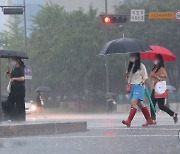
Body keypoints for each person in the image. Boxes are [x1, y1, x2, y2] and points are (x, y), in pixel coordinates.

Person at [122, 53, 153, 127]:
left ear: (137, 57)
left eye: (133, 56)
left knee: (133, 102)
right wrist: (126, 75)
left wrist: (143, 81)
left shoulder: (141, 66)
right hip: (132, 86)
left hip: (139, 86)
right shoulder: (130, 66)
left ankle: (129, 121)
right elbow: (129, 78)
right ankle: (149, 119)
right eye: (131, 56)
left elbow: (145, 76)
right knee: (140, 104)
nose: (131, 57)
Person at [150, 54, 178, 124]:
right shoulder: (154, 69)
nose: (154, 60)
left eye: (156, 59)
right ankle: (153, 119)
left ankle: (173, 114)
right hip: (154, 88)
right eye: (154, 58)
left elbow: (163, 79)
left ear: (159, 60)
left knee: (161, 106)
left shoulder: (162, 69)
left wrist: (155, 76)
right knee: (152, 104)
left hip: (160, 89)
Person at [6, 57, 26, 121]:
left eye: (13, 60)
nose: (12, 62)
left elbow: (22, 78)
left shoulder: (20, 69)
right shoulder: (14, 69)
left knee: (20, 104)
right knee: (9, 103)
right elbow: (10, 78)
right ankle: (12, 117)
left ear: (17, 61)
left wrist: (14, 79)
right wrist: (8, 71)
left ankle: (21, 118)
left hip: (19, 89)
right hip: (13, 89)